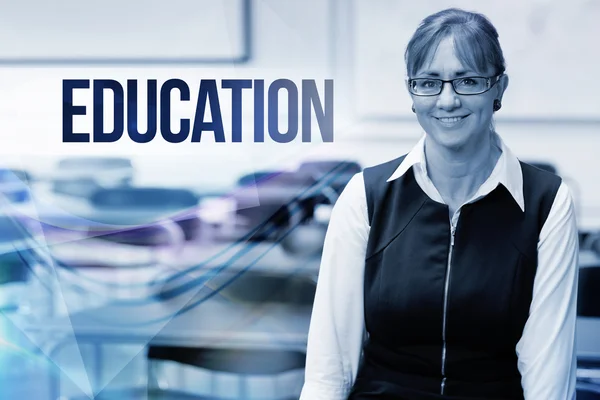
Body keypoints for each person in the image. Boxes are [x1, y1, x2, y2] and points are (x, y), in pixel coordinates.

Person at [300, 8, 579, 400]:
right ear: (412, 93)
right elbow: (329, 373)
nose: (447, 100)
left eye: (468, 80)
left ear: (498, 88)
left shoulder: (547, 202)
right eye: (429, 83)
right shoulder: (367, 196)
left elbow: (548, 377)